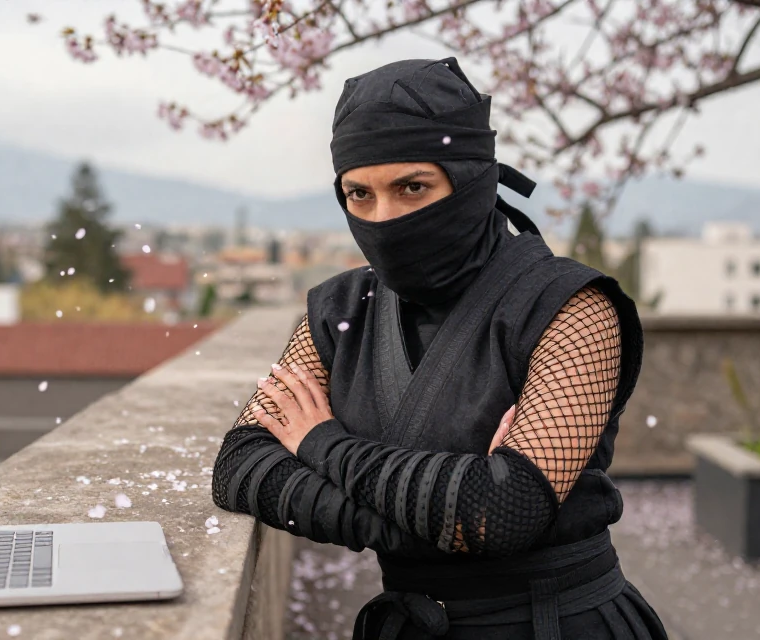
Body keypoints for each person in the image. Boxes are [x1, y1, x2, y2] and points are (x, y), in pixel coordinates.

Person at [211, 57, 666, 640]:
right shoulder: (340, 310)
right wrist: (448, 520)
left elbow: (507, 509)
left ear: (471, 178)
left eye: (412, 187)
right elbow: (239, 464)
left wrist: (322, 443)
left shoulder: (572, 308)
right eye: (359, 193)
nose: (384, 217)